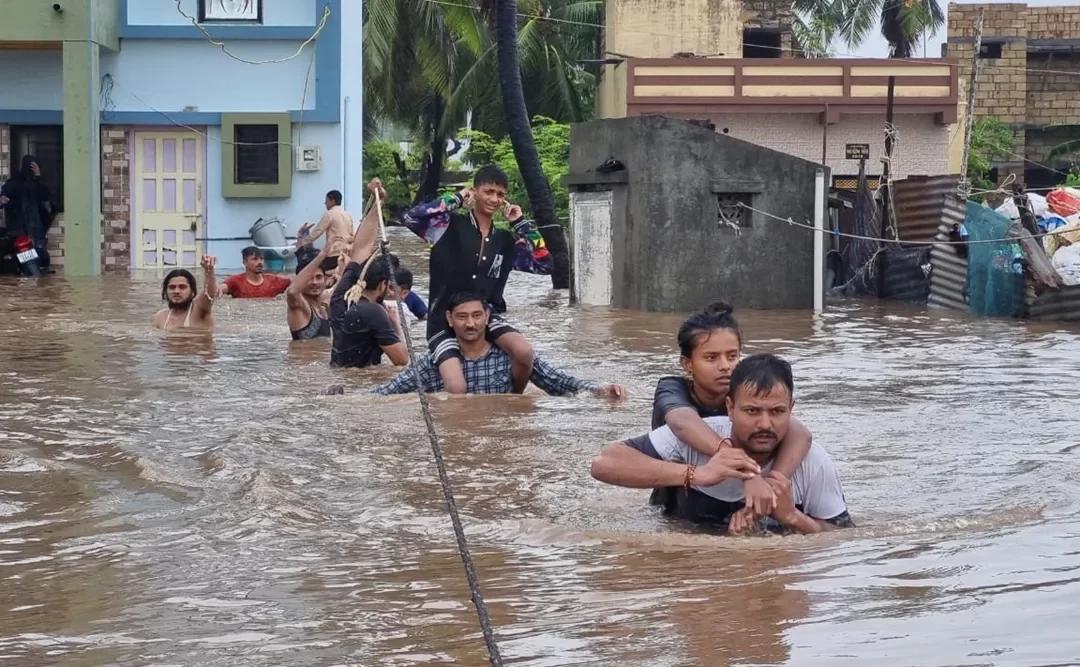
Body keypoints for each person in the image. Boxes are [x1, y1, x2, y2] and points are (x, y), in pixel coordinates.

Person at [591, 354, 854, 535]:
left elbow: (845, 539)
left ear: (791, 409)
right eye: (751, 411)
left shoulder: (813, 462)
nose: (764, 424)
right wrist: (700, 475)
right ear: (729, 408)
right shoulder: (698, 438)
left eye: (776, 412)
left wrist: (793, 518)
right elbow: (605, 463)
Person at [651, 301, 814, 533]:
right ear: (687, 364)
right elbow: (681, 422)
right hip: (678, 501)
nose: (725, 366)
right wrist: (746, 470)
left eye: (732, 356)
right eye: (711, 358)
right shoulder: (672, 388)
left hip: (736, 499)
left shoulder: (746, 391)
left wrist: (771, 483)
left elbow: (800, 434)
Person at [394, 166, 552, 395]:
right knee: (456, 387)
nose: (494, 199)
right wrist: (455, 198)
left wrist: (520, 223)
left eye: (500, 195)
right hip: (444, 322)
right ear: (475, 192)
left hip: (486, 318)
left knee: (524, 352)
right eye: (488, 192)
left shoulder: (506, 240)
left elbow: (544, 264)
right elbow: (412, 217)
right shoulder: (446, 226)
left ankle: (512, 399)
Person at [369, 292, 625, 397]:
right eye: (462, 317)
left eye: (476, 316)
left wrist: (600, 390)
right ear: (449, 319)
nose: (470, 324)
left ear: (488, 317)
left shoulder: (508, 357)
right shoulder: (433, 364)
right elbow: (386, 394)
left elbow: (561, 383)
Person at [328, 209, 409, 367]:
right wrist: (396, 323)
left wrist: (376, 208)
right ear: (382, 285)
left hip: (337, 371)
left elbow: (361, 248)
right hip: (360, 384)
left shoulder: (340, 297)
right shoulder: (374, 312)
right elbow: (402, 360)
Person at [0, 155, 56, 270]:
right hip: (23, 234)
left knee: (41, 263)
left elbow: (47, 201)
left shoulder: (36, 185)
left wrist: (38, 178)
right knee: (34, 265)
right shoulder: (15, 184)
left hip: (33, 233)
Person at [153, 255, 220, 330]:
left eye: (182, 287)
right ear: (165, 291)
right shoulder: (160, 317)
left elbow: (209, 295)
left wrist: (209, 270)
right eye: (172, 287)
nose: (176, 291)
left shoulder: (199, 310)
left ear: (192, 292)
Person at [286, 245, 338, 340]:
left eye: (318, 277)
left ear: (325, 279)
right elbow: (292, 292)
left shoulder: (324, 303)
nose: (314, 282)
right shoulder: (299, 306)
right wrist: (320, 257)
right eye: (309, 279)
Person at [296, 189, 355, 257]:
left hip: (334, 253)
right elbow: (352, 235)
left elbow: (318, 232)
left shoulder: (330, 214)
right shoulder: (347, 215)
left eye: (326, 201)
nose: (325, 203)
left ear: (332, 201)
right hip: (346, 253)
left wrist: (302, 242)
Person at [220, 246, 291, 298]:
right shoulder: (235, 281)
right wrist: (210, 271)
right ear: (245, 263)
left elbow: (296, 282)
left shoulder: (273, 281)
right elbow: (217, 292)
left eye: (261, 259)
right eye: (254, 259)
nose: (259, 262)